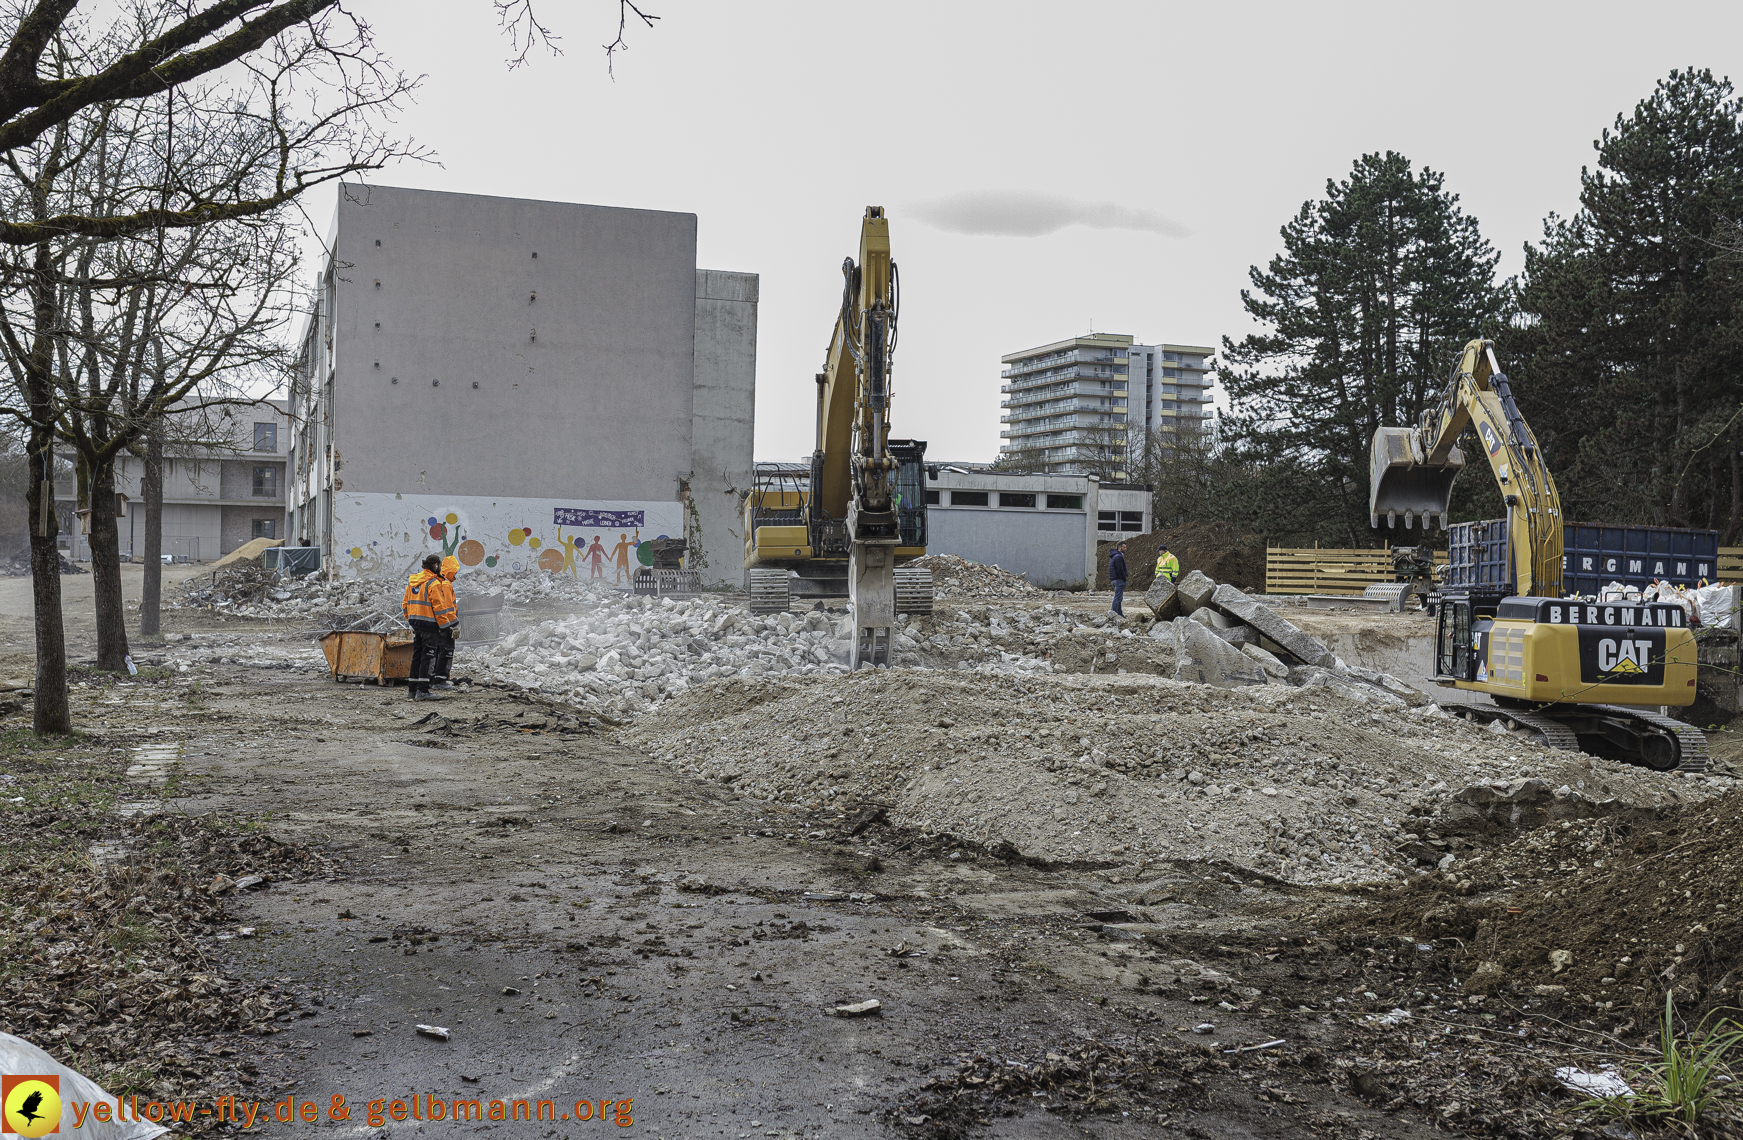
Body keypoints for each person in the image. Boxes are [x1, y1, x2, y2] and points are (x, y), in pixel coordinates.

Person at [402, 554, 452, 701]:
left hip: (416, 624)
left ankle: (412, 690)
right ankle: (423, 691)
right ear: (435, 566)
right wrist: (445, 627)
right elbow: (439, 608)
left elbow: (405, 605)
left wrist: (412, 620)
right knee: (428, 657)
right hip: (430, 626)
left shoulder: (412, 582)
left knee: (416, 656)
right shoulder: (433, 584)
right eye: (440, 565)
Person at [428, 555, 461, 691]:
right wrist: (453, 625)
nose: (455, 575)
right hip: (447, 623)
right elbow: (447, 608)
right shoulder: (446, 584)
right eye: (455, 572)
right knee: (447, 651)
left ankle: (432, 678)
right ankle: (440, 680)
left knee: (436, 652)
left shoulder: (436, 581)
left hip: (437, 623)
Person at [1109, 540, 1129, 617]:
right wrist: (1124, 578)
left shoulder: (1114, 556)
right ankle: (1113, 614)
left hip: (1115, 579)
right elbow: (1119, 569)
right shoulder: (1118, 556)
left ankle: (1119, 614)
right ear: (1119, 548)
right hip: (1118, 580)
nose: (1126, 549)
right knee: (1117, 598)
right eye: (1124, 547)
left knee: (1119, 598)